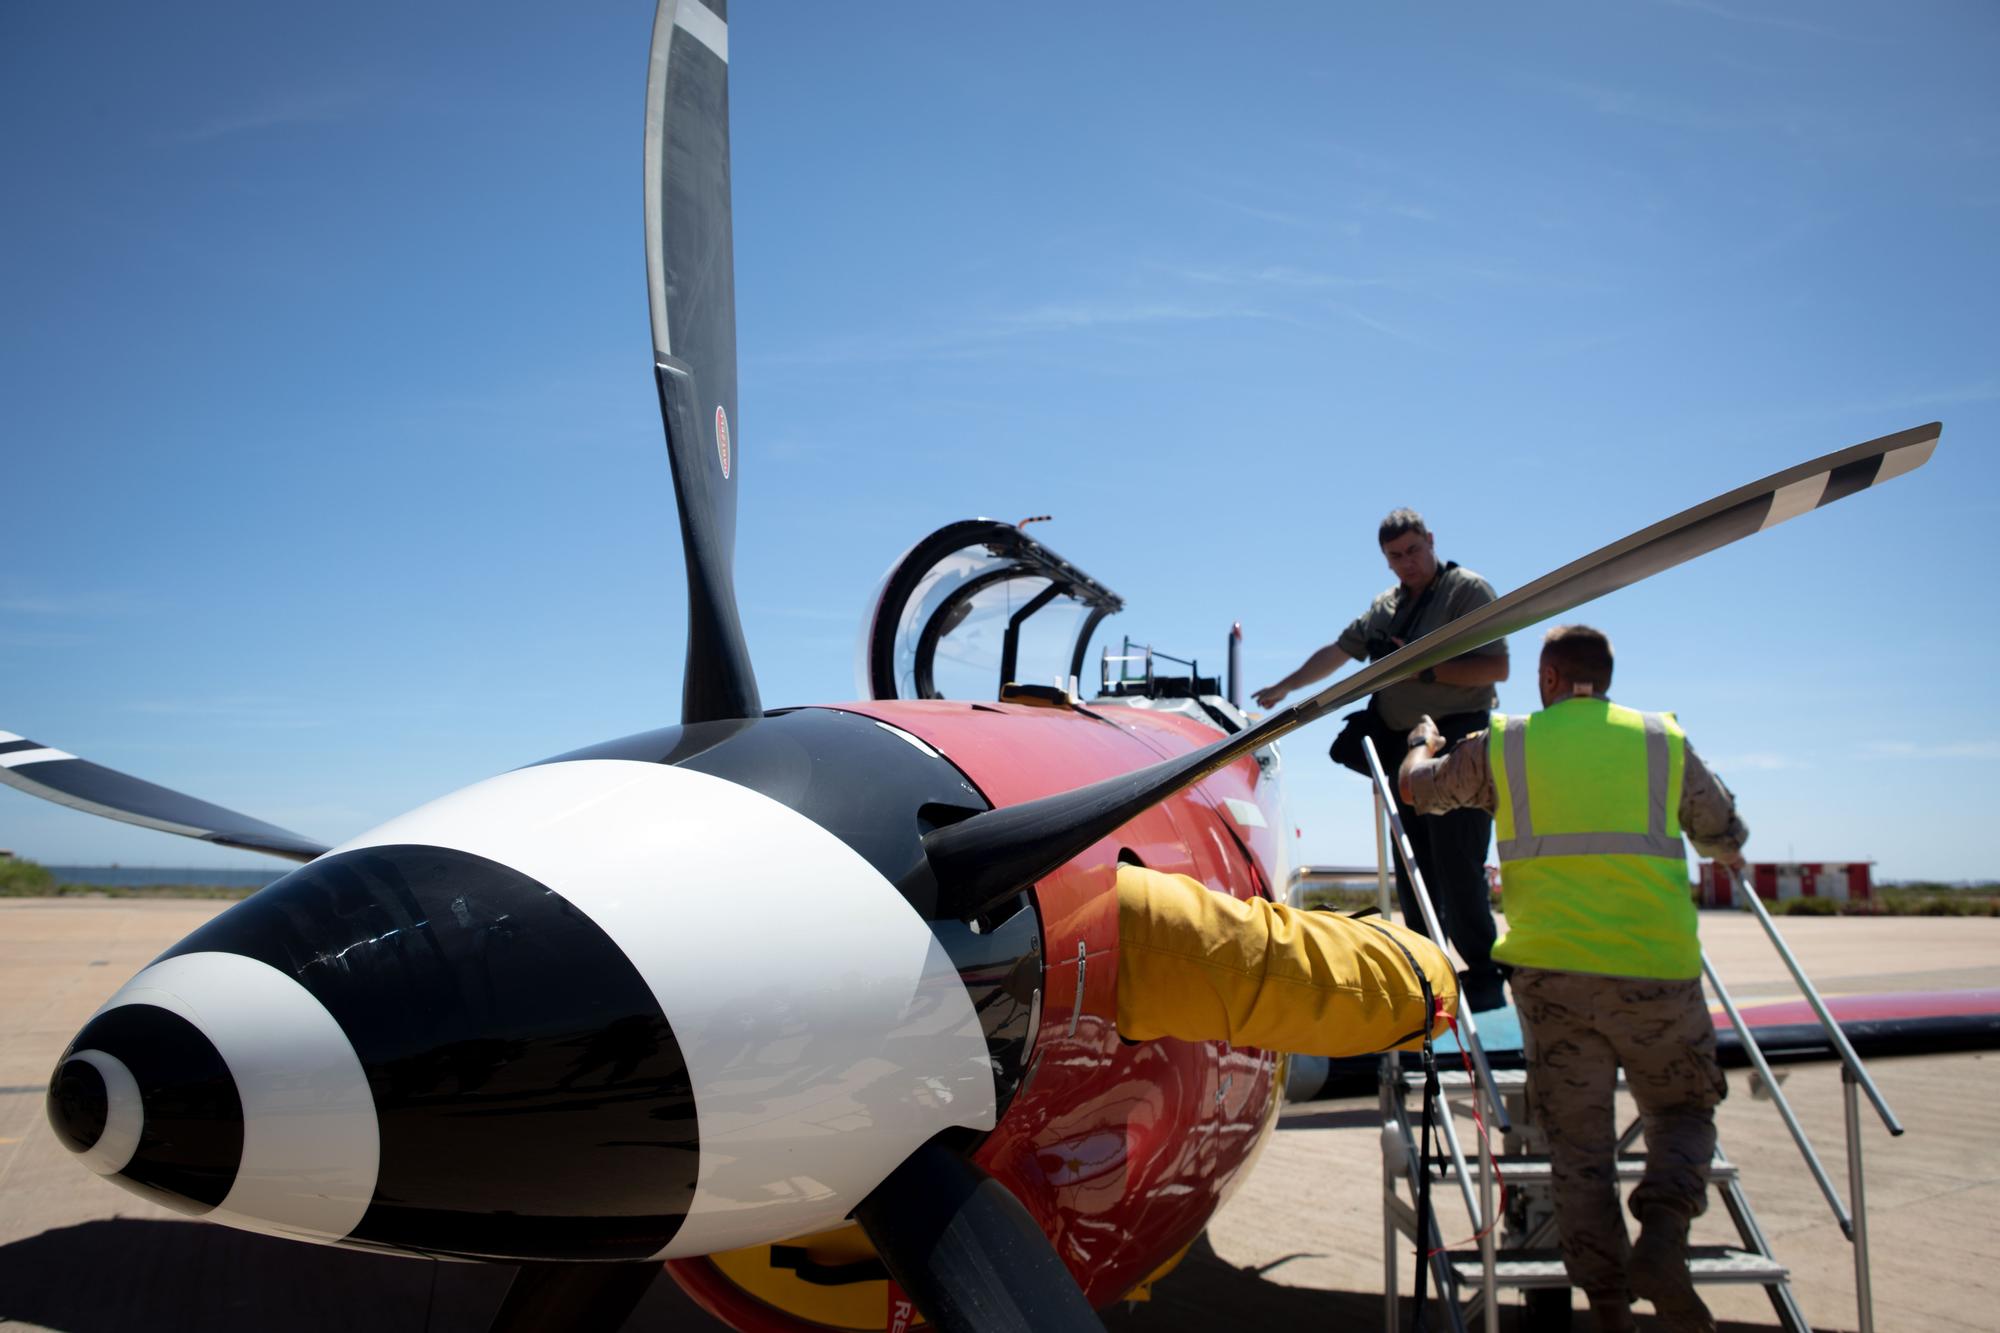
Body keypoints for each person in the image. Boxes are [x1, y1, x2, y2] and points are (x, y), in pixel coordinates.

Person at [1397, 624, 1746, 1333]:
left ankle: (1608, 1307)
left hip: (1552, 980)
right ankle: (1665, 1235)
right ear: (1606, 677)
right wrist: (1718, 846)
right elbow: (1724, 829)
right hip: (1657, 973)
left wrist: (1419, 740)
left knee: (1579, 1150)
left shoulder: (1509, 741)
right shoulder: (1661, 739)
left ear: (1550, 678)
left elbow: (1419, 792)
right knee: (1682, 1114)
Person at [1254, 507, 1509, 1010]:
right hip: (1401, 747)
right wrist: (1285, 687)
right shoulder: (1385, 607)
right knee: (1413, 867)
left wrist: (1424, 670)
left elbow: (1496, 666)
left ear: (1431, 541)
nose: (1407, 562)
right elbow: (1339, 652)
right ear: (1385, 560)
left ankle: (1482, 978)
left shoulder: (1466, 592)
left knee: (1458, 862)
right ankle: (1426, 970)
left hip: (1458, 741)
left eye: (1414, 550)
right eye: (1395, 556)